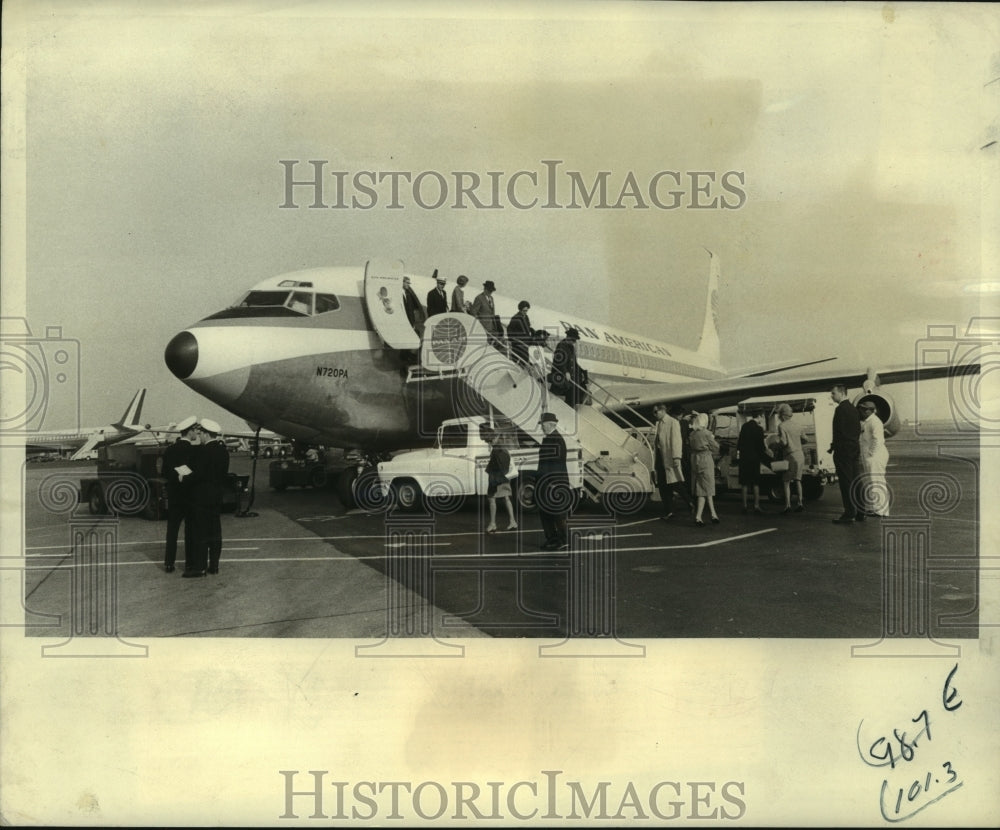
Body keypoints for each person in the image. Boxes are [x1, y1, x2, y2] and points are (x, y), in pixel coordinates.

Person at [187, 418, 230, 576]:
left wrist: (184, 477)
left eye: (201, 433)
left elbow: (198, 474)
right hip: (216, 496)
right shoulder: (223, 451)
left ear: (206, 434)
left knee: (200, 532)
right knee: (215, 531)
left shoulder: (203, 451)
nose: (200, 436)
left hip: (201, 497)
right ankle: (214, 565)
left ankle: (200, 567)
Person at [162, 415, 201, 573]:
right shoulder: (195, 451)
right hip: (190, 496)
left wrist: (176, 476)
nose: (196, 434)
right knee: (190, 531)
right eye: (195, 431)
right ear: (190, 431)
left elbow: (164, 472)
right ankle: (189, 563)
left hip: (174, 496)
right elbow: (198, 474)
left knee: (172, 531)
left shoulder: (170, 450)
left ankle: (169, 563)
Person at [536, 412, 570, 550]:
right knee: (545, 512)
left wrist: (552, 484)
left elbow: (556, 464)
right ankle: (551, 538)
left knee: (556, 512)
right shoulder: (550, 438)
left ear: (551, 424)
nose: (541, 428)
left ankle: (562, 540)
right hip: (545, 483)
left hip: (553, 483)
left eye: (543, 425)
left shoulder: (556, 439)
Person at [652, 403, 692, 519]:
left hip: (670, 457)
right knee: (663, 485)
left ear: (663, 410)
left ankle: (689, 502)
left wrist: (676, 457)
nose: (654, 414)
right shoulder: (658, 424)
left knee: (675, 482)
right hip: (660, 457)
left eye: (656, 412)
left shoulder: (672, 422)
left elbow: (676, 441)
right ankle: (669, 511)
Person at [830, 384, 863, 523]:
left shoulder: (840, 410)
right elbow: (857, 430)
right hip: (854, 448)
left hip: (843, 450)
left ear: (842, 393)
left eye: (833, 393)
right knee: (857, 480)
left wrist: (834, 447)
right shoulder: (854, 409)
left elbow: (839, 432)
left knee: (846, 482)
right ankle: (862, 512)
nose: (832, 396)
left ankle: (849, 513)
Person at [859, 400, 890, 517]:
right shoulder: (867, 422)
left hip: (876, 456)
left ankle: (881, 511)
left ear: (869, 410)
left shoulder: (875, 422)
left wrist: (870, 454)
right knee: (872, 482)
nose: (861, 411)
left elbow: (878, 440)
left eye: (863, 409)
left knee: (877, 482)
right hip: (872, 456)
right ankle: (874, 508)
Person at [689, 412, 720, 525]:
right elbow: (716, 447)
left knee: (702, 489)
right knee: (708, 488)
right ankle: (710, 515)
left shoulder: (692, 434)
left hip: (695, 460)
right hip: (705, 460)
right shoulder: (707, 434)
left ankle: (707, 515)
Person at [484, 428, 517, 533]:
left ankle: (493, 524)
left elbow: (501, 465)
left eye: (490, 440)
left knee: (491, 499)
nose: (490, 442)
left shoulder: (498, 449)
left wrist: (495, 477)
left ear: (495, 438)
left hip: (497, 479)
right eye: (489, 441)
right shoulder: (500, 447)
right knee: (506, 498)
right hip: (502, 478)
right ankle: (512, 521)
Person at [737, 412, 771, 514]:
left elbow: (739, 444)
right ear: (760, 416)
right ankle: (756, 506)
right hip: (754, 459)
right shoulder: (759, 429)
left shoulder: (744, 426)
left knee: (744, 483)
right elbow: (761, 447)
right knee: (756, 483)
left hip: (744, 458)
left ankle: (744, 506)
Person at [776, 403, 806, 513]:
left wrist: (776, 444)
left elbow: (784, 442)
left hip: (790, 455)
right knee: (798, 480)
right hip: (800, 454)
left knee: (786, 481)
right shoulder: (798, 425)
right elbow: (805, 439)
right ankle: (800, 503)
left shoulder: (782, 426)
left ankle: (788, 505)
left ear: (782, 415)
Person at [550, 328, 587, 407]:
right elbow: (559, 362)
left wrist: (582, 371)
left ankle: (570, 409)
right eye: (573, 340)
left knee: (574, 394)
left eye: (575, 340)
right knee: (558, 395)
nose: (574, 342)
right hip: (561, 376)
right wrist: (565, 372)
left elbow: (574, 363)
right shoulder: (561, 346)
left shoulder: (571, 347)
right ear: (568, 337)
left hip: (569, 378)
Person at [470, 280, 504, 348]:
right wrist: (479, 324)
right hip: (483, 327)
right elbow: (473, 312)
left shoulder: (491, 298)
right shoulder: (479, 298)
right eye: (489, 290)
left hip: (491, 327)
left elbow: (492, 312)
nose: (490, 292)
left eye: (491, 291)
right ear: (485, 289)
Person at [506, 301, 534, 365]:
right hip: (517, 345)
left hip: (525, 344)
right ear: (520, 309)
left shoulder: (526, 317)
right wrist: (515, 340)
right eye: (524, 311)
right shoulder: (515, 318)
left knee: (524, 362)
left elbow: (528, 327)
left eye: (527, 311)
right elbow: (509, 330)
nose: (525, 312)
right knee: (515, 360)